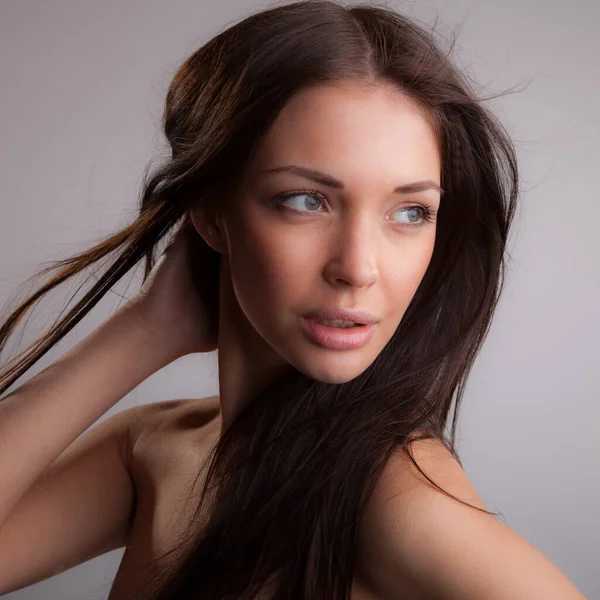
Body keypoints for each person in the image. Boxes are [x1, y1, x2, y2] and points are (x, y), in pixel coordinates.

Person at [0, 1, 587, 598]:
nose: (358, 269)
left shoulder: (388, 498)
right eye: (307, 200)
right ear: (209, 211)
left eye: (410, 212)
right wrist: (144, 331)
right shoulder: (157, 450)